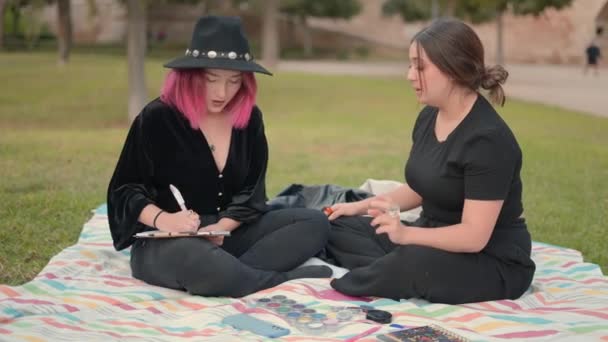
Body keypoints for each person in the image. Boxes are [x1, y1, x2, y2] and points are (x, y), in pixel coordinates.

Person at [107, 16, 331, 298]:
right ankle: (275, 278)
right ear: (190, 75)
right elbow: (124, 190)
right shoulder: (158, 117)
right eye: (211, 79)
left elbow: (252, 192)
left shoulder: (250, 119)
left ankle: (230, 275)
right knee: (196, 257)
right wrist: (166, 219)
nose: (222, 92)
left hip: (226, 234)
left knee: (314, 222)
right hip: (169, 240)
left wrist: (222, 227)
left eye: (233, 81)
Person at [323, 18, 536, 304]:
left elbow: (474, 236)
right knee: (337, 227)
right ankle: (393, 269)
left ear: (452, 69)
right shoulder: (428, 116)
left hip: (490, 260)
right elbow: (422, 187)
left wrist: (407, 234)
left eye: (419, 66)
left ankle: (344, 286)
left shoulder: (488, 140)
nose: (410, 75)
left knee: (411, 264)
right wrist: (359, 207)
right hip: (429, 235)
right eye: (410, 65)